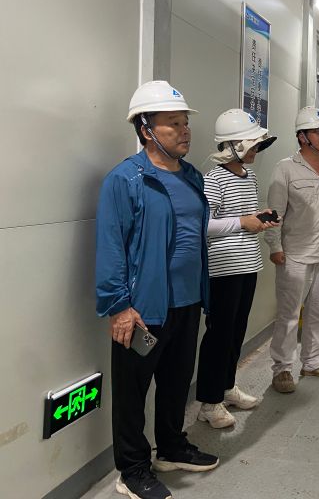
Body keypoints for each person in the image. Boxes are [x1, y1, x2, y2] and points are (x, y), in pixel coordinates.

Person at [96, 81, 218, 499]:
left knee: (177, 380)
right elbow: (111, 246)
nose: (185, 131)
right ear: (146, 129)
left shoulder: (192, 176)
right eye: (173, 124)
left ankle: (171, 447)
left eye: (185, 123)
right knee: (132, 392)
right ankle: (132, 469)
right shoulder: (125, 180)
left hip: (188, 300)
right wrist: (119, 306)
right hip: (144, 308)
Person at [195, 108, 279, 428]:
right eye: (252, 144)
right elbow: (203, 225)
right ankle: (209, 402)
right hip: (223, 269)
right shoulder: (214, 179)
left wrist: (259, 219)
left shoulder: (249, 176)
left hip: (248, 265)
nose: (256, 149)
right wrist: (243, 223)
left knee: (236, 332)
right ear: (232, 145)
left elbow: (244, 217)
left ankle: (227, 387)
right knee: (219, 335)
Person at [265, 106, 319, 393]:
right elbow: (275, 212)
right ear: (302, 137)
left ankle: (313, 361)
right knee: (289, 316)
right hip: (295, 255)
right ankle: (282, 369)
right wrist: (275, 245)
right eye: (318, 131)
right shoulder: (285, 168)